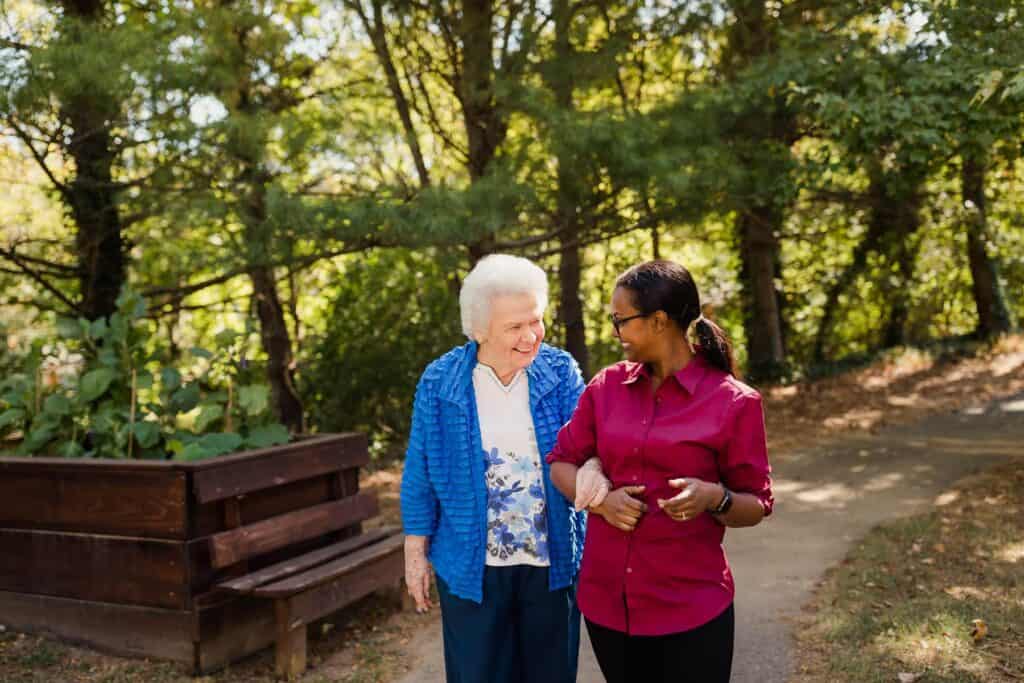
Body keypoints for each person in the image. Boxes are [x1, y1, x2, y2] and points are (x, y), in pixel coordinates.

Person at [547, 260, 774, 683]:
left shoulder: (735, 402)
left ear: (659, 321)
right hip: (608, 606)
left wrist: (714, 498)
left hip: (691, 609)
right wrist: (599, 502)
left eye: (622, 321)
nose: (615, 333)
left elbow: (755, 504)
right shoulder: (606, 387)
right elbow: (560, 461)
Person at [400, 254, 587, 683]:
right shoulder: (441, 381)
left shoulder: (560, 371)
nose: (530, 336)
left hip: (551, 563)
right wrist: (416, 553)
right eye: (514, 327)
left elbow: (588, 450)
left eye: (535, 321)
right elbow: (420, 472)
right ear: (480, 329)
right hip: (471, 565)